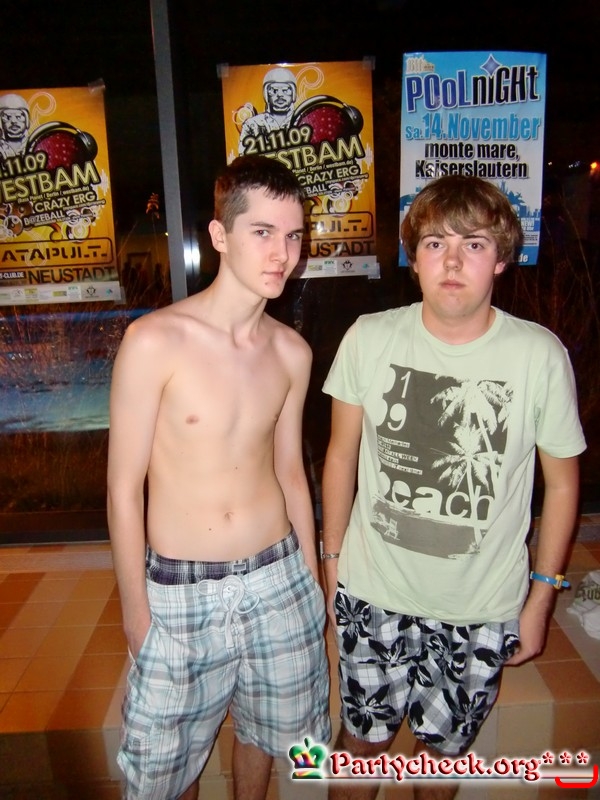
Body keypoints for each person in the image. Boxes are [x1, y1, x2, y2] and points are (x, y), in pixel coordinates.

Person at [320, 174, 586, 800]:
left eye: (473, 243)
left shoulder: (539, 356)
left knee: (440, 761)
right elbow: (340, 455)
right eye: (435, 243)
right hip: (374, 591)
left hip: (482, 607)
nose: (453, 261)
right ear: (414, 259)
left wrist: (541, 599)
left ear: (501, 258)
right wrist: (333, 561)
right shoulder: (369, 337)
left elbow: (562, 485)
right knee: (360, 744)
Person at [107, 154, 331, 800]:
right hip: (181, 590)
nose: (283, 254)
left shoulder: (292, 352)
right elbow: (123, 488)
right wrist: (135, 612)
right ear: (219, 235)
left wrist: (312, 583)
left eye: (293, 236)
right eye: (262, 232)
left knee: (269, 738)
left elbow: (292, 472)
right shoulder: (155, 341)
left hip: (279, 578)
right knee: (165, 771)